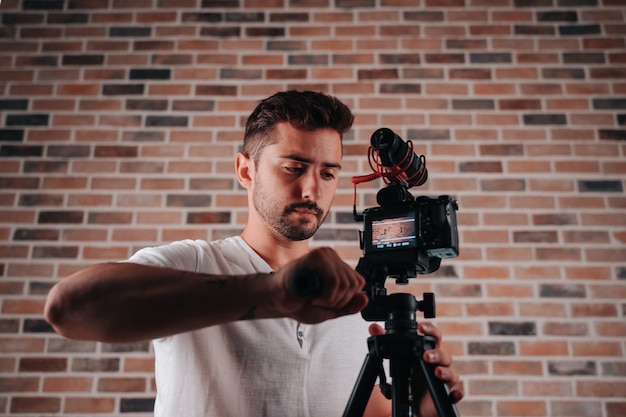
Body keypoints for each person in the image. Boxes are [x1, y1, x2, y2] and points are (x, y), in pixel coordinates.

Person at [44, 90, 463, 417]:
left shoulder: (356, 300)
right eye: (293, 167)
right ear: (246, 170)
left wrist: (422, 408)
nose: (311, 190)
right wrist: (274, 292)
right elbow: (68, 307)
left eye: (328, 173)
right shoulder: (195, 264)